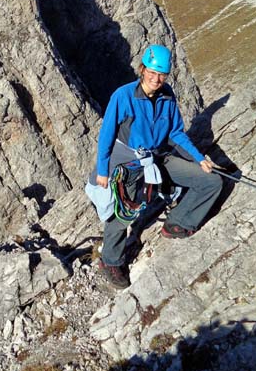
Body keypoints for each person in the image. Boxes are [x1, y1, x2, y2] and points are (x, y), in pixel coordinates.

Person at [92, 44, 222, 289]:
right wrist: (102, 170)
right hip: (129, 164)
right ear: (142, 69)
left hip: (158, 158)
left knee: (211, 181)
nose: (156, 78)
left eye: (161, 74)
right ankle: (110, 260)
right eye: (152, 71)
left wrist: (199, 158)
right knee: (122, 213)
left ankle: (177, 223)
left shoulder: (167, 96)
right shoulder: (123, 96)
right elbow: (106, 135)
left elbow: (175, 132)